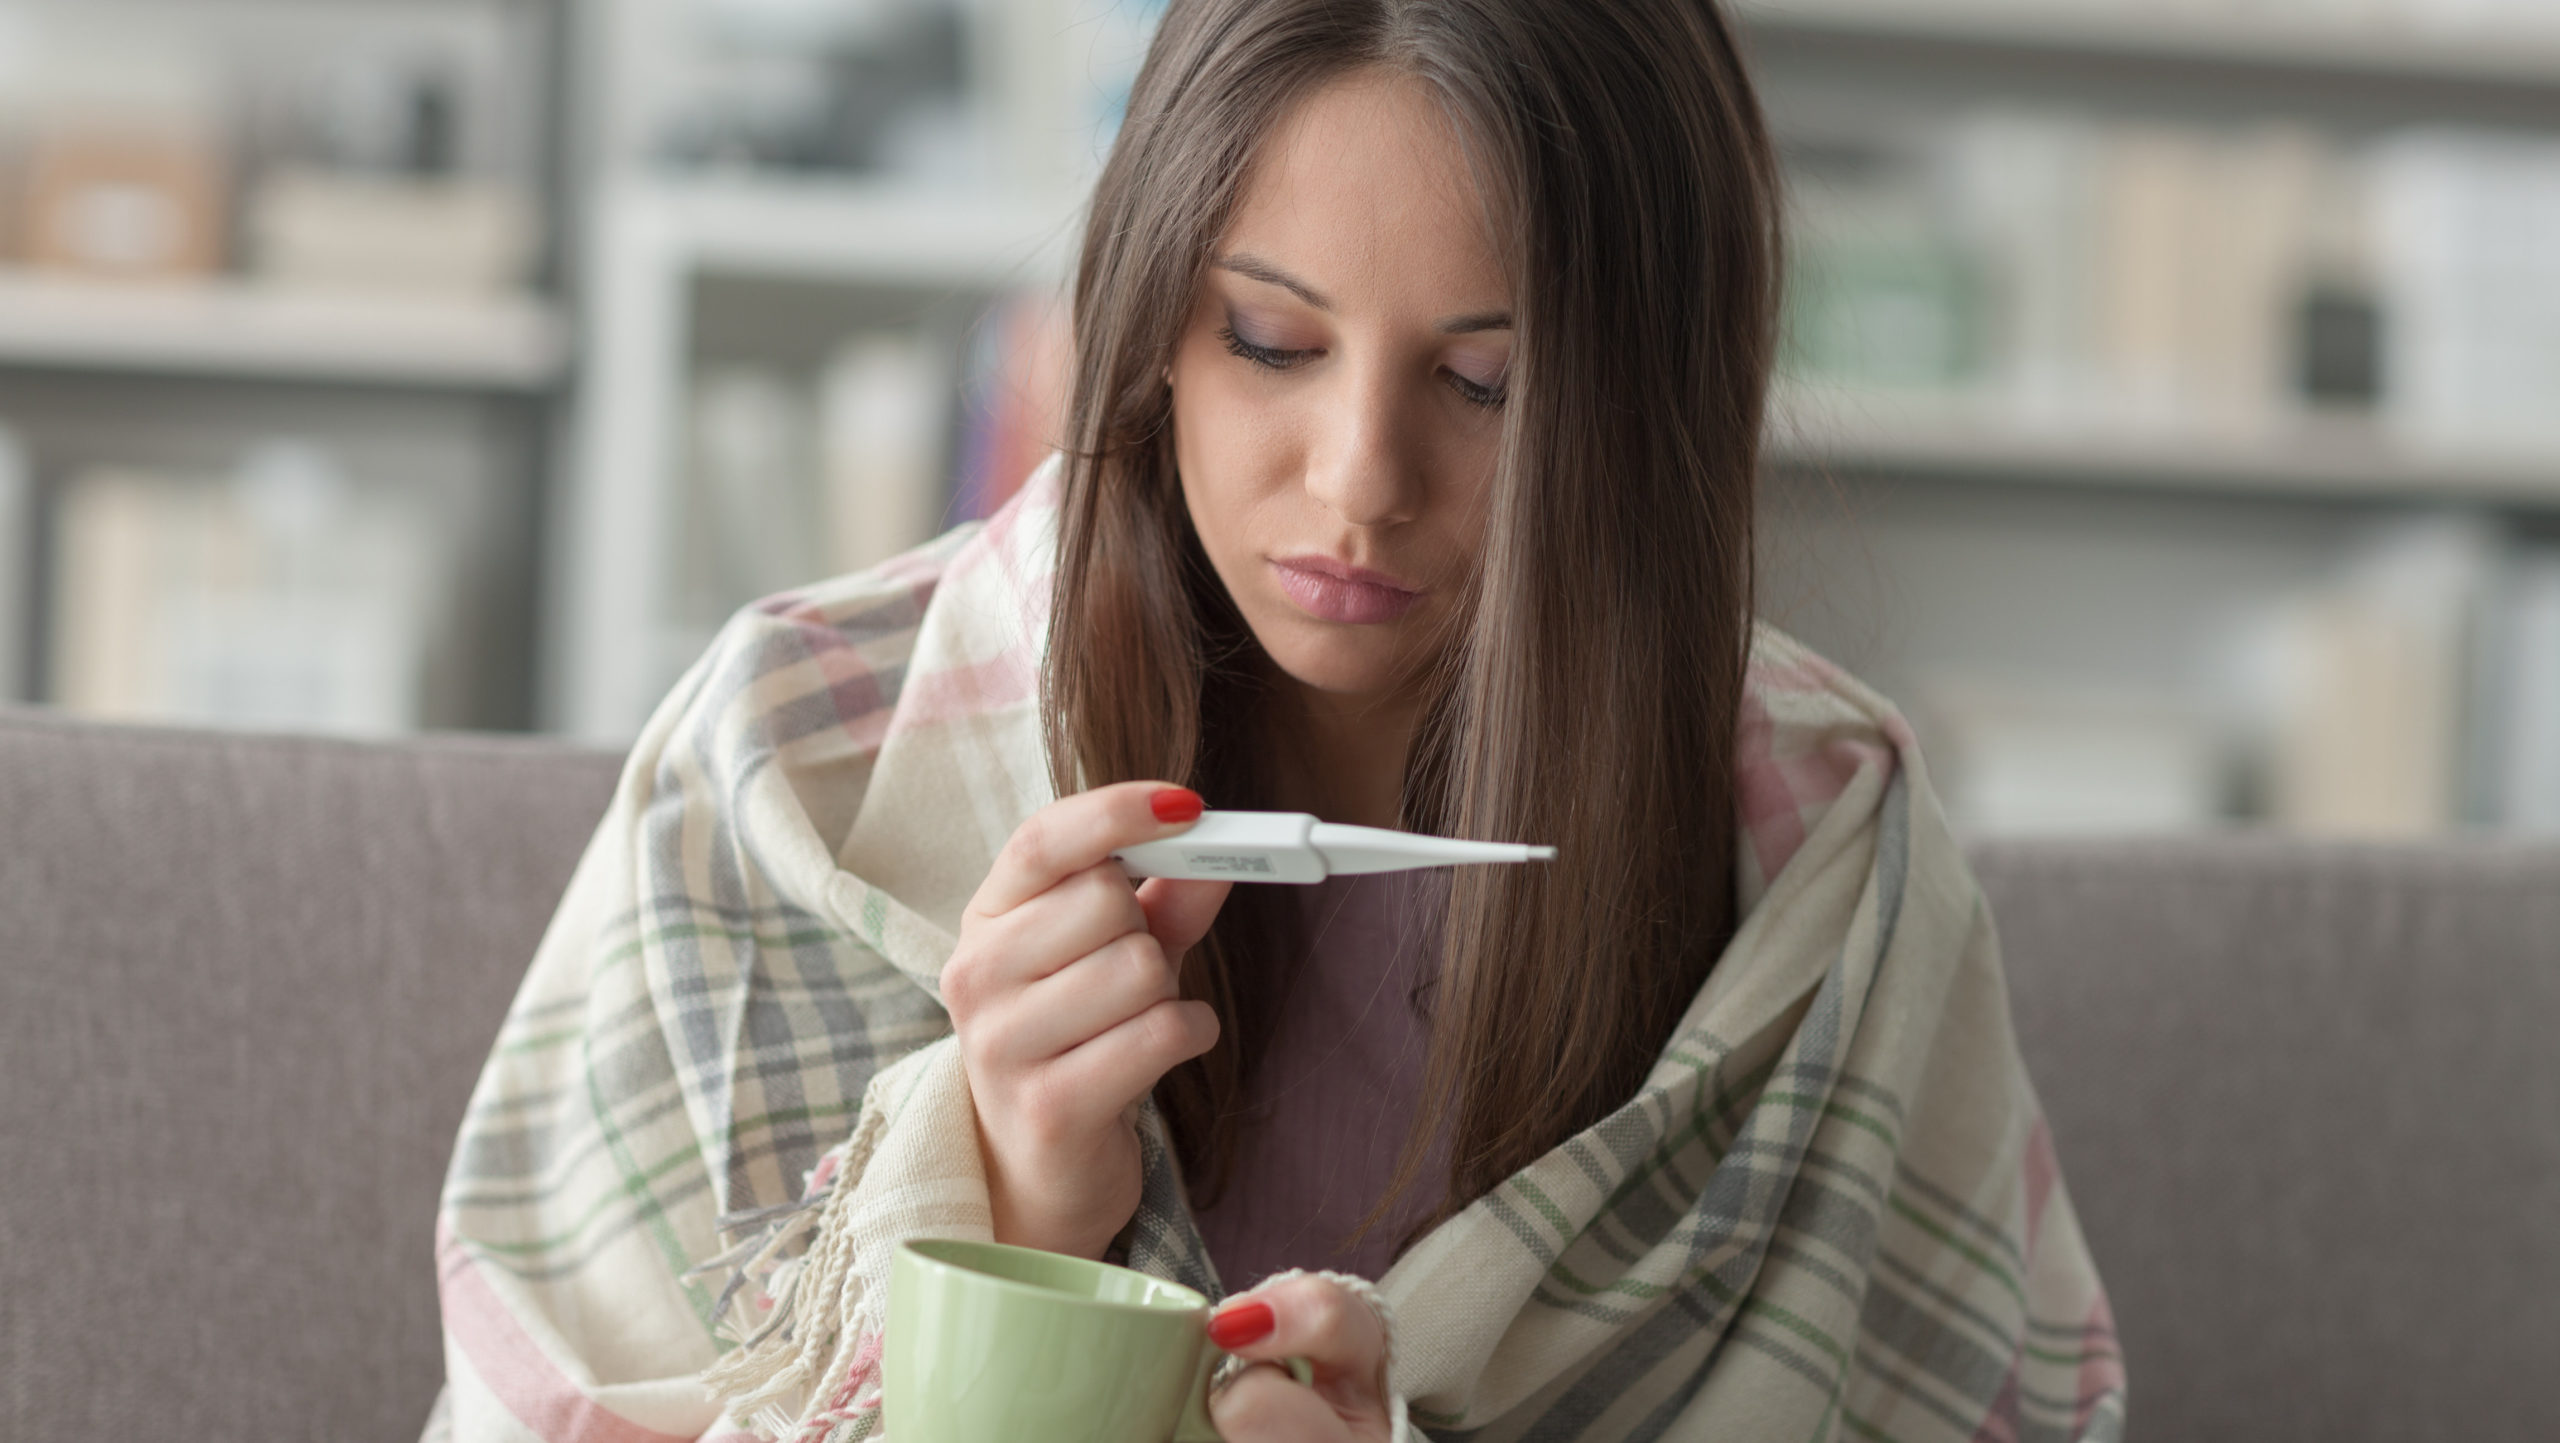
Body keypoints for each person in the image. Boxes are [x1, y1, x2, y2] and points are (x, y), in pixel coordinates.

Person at [426, 2, 2125, 1440]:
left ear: (1652, 401)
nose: (1360, 481)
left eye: (1486, 385)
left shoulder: (1820, 867)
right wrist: (1005, 1219)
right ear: (1150, 322)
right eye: (1269, 339)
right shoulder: (794, 769)